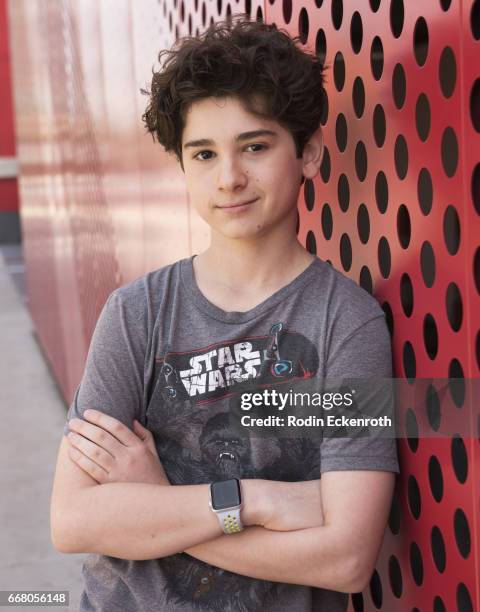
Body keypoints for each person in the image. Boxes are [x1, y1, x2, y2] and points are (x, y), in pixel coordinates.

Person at [50, 15, 399, 612]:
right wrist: (251, 502)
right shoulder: (138, 313)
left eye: (255, 147)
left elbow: (345, 559)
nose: (229, 178)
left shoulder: (347, 323)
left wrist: (158, 506)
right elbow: (75, 520)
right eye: (204, 154)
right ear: (183, 166)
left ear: (308, 153)